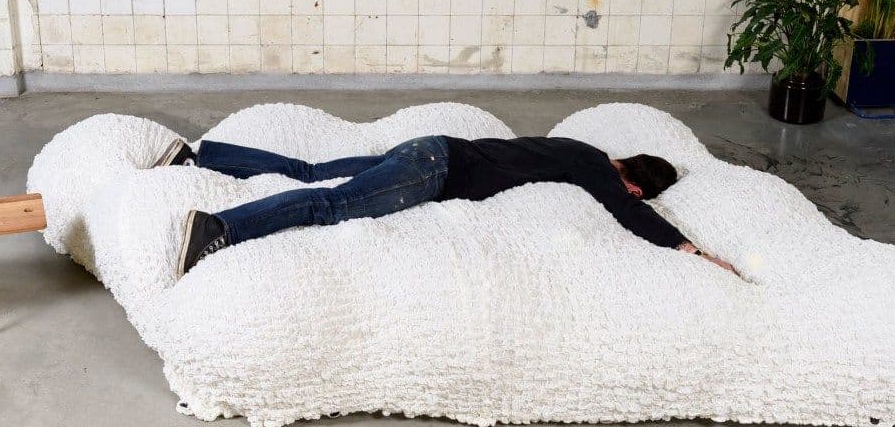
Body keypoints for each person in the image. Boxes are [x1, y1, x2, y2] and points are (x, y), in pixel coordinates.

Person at [155, 136, 737, 278]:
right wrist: (690, 247)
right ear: (634, 184)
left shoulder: (576, 149)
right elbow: (629, 214)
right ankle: (220, 227)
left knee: (311, 171)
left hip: (428, 148)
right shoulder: (594, 168)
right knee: (330, 206)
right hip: (434, 171)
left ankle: (198, 156)